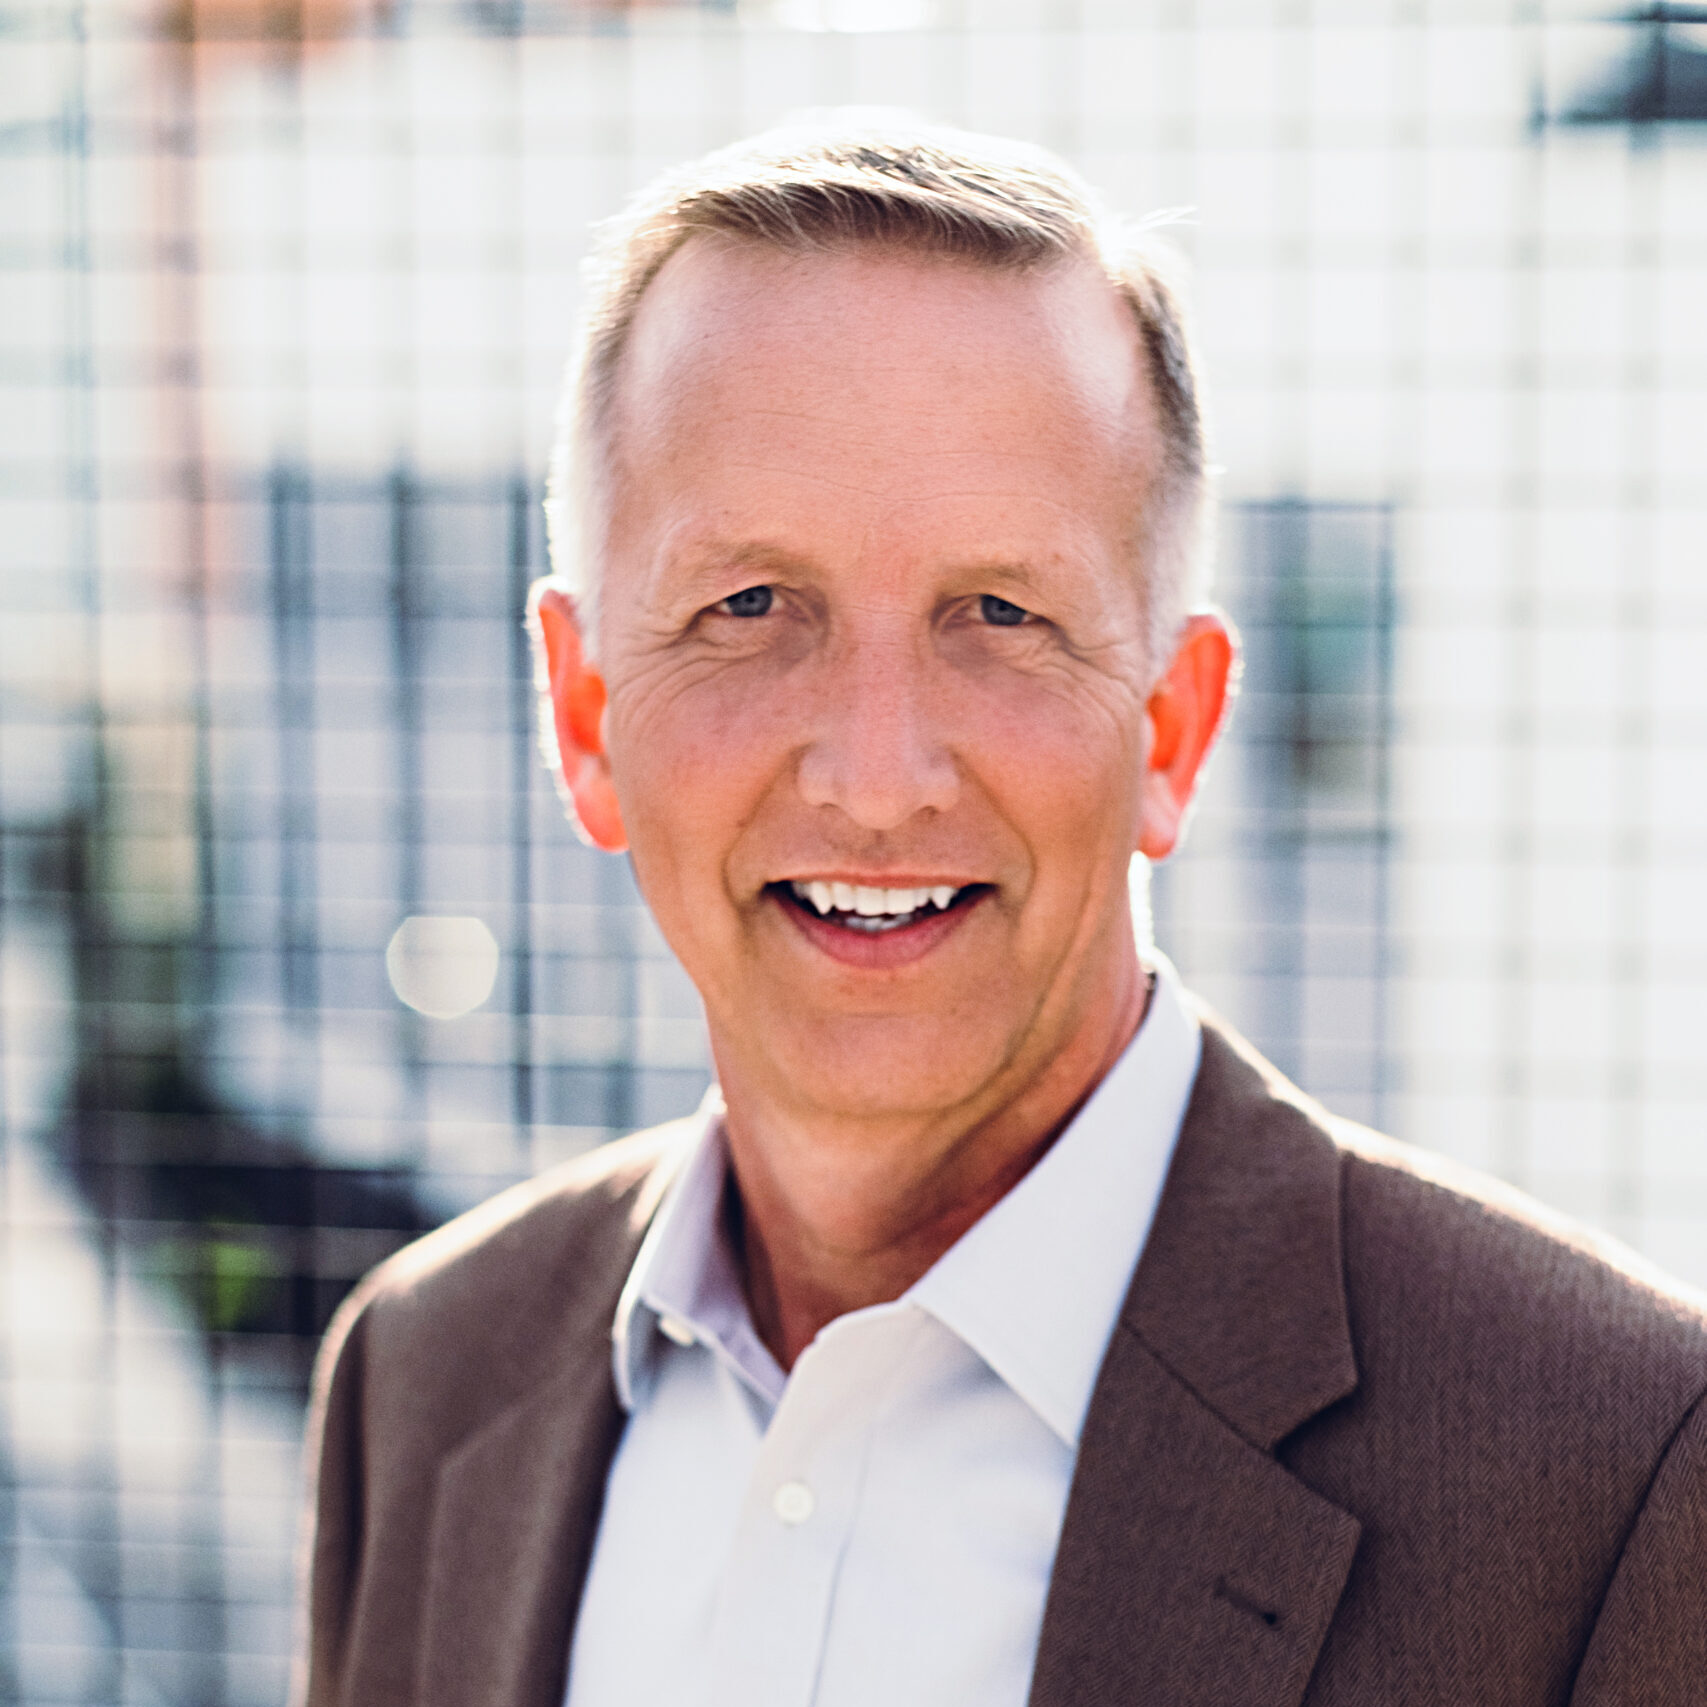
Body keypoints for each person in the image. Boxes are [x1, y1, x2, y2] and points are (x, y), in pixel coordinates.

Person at [294, 120, 1707, 1707]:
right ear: (579, 714)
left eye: (1003, 615)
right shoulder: (420, 1383)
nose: (879, 777)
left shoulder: (1614, 1468)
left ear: (1171, 730)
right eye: (749, 607)